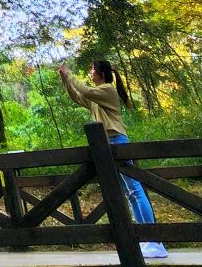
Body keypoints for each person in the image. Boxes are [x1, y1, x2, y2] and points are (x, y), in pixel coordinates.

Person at [58, 59, 169, 260]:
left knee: (135, 189)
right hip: (103, 145)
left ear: (101, 72)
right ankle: (145, 239)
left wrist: (70, 74)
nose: (90, 71)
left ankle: (155, 240)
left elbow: (85, 90)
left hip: (117, 140)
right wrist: (65, 80)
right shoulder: (96, 96)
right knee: (127, 193)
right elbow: (77, 96)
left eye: (92, 69)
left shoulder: (107, 89)